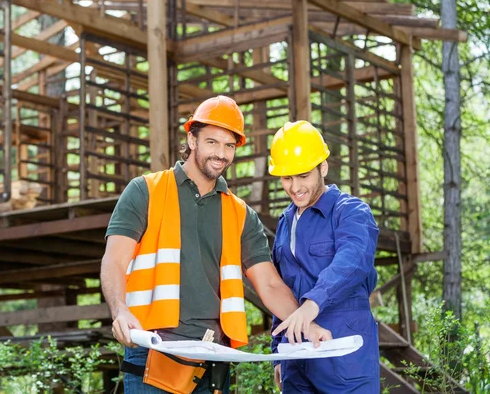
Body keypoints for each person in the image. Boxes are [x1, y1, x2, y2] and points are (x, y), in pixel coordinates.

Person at [100, 96, 331, 394]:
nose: (221, 154)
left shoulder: (240, 214)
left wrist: (307, 323)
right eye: (212, 142)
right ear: (192, 139)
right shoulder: (145, 191)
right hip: (153, 355)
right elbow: (114, 261)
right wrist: (120, 310)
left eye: (229, 146)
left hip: (214, 362)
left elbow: (270, 285)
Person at [268, 120, 380, 393]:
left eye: (303, 175)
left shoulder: (351, 212)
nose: (295, 187)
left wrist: (311, 305)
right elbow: (281, 286)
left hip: (344, 360)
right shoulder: (285, 221)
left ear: (323, 168)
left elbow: (352, 262)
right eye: (287, 178)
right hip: (296, 358)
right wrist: (277, 353)